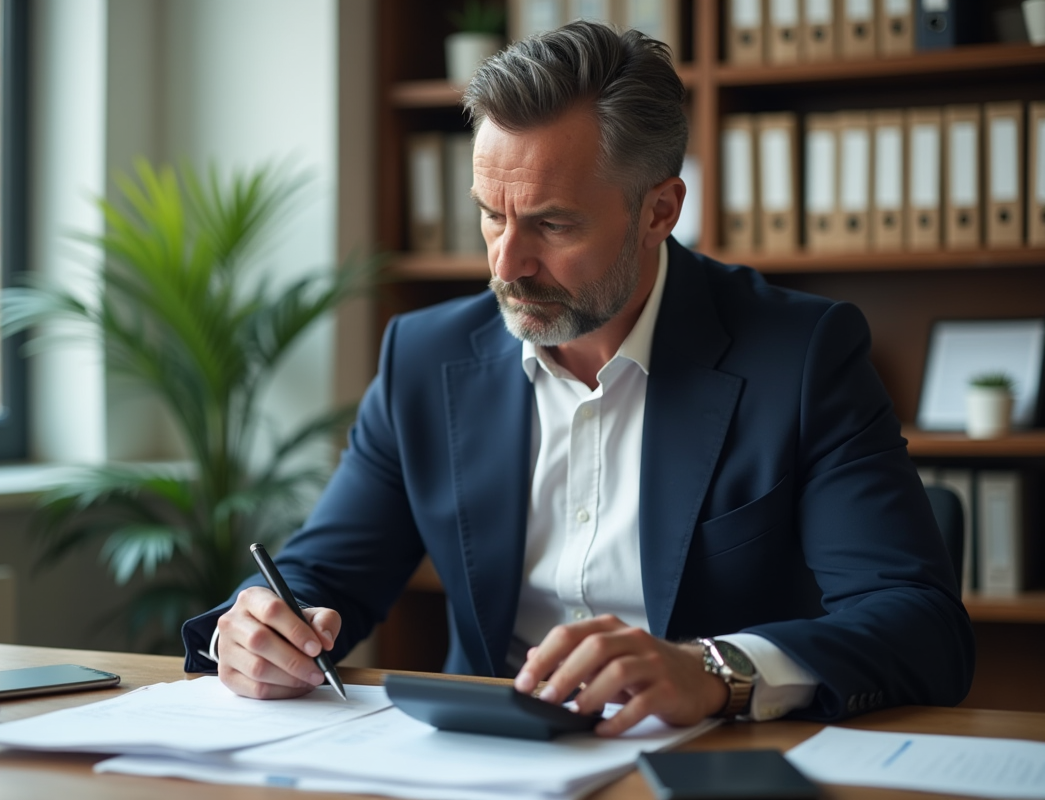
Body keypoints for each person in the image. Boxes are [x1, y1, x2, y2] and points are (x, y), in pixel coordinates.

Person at [182, 21, 974, 735]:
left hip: (709, 760)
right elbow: (322, 575)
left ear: (659, 211)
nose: (507, 264)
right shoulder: (424, 356)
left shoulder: (800, 356)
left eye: (552, 224)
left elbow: (919, 624)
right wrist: (253, 628)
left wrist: (710, 670)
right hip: (483, 765)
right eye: (491, 214)